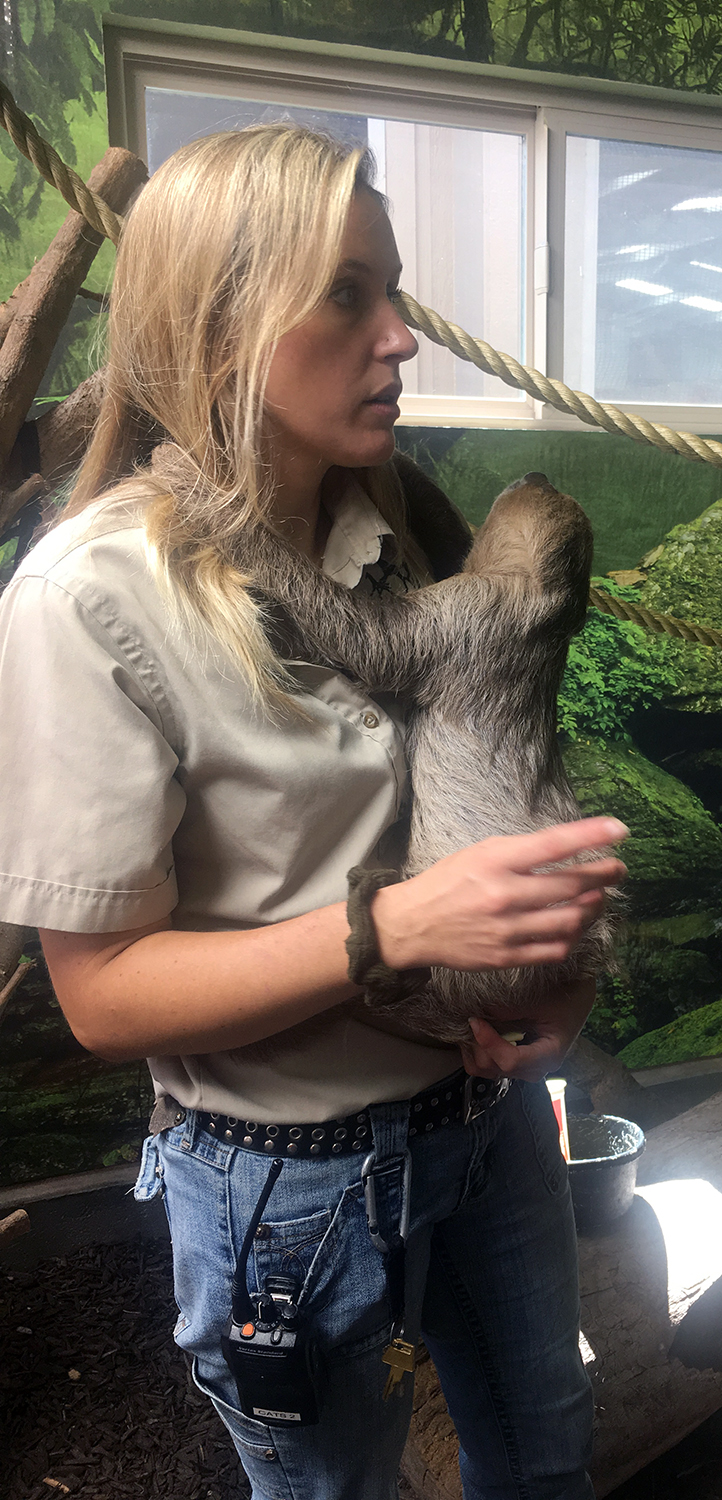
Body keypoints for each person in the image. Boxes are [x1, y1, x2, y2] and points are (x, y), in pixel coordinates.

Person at [0, 123, 627, 1500]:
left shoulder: (398, 516)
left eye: (394, 290)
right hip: (285, 1182)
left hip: (484, 1109)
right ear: (221, 321)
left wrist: (543, 975)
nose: (401, 335)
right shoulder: (85, 599)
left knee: (543, 1457)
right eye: (349, 294)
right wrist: (399, 929)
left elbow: (493, 772)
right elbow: (101, 1002)